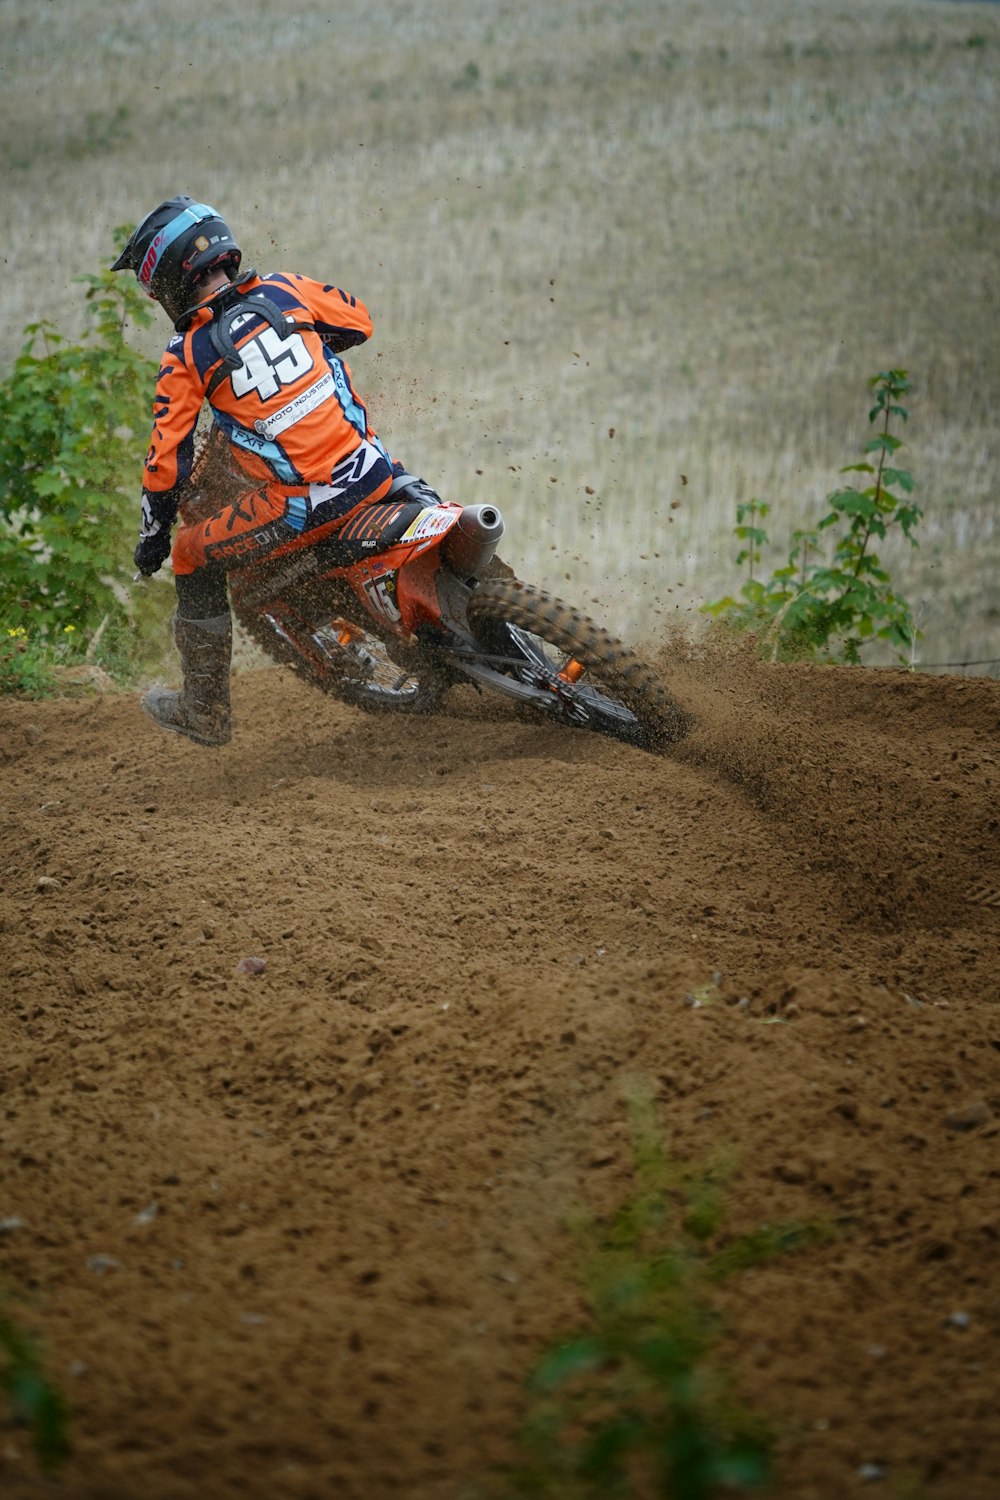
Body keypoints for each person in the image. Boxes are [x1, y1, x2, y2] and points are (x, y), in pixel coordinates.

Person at [113, 195, 433, 747]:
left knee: (191, 552)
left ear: (165, 280)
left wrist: (152, 541)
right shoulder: (286, 289)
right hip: (375, 469)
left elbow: (166, 464)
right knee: (389, 466)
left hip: (302, 504)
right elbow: (359, 323)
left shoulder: (187, 352)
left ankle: (203, 711)